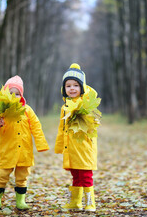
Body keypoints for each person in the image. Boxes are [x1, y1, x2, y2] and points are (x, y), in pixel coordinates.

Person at [0, 75, 50, 211]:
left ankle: (20, 200)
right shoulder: (2, 112)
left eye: (17, 94)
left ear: (21, 95)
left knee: (22, 177)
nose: (14, 96)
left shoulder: (27, 110)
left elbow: (36, 127)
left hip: (24, 151)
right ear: (5, 94)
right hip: (8, 150)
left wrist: (41, 144)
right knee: (2, 175)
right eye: (11, 93)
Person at [55, 63, 98, 212]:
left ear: (82, 87)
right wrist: (60, 146)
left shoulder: (86, 104)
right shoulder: (64, 107)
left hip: (84, 147)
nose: (72, 89)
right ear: (64, 89)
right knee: (76, 176)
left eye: (75, 85)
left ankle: (90, 202)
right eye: (68, 86)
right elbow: (62, 128)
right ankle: (75, 201)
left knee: (86, 175)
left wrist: (83, 114)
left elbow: (94, 123)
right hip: (71, 148)